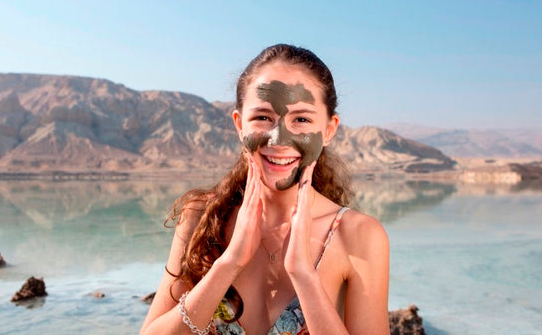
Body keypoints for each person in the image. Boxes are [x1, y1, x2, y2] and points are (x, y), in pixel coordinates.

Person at [140, 44, 390, 335]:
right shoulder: (200, 218)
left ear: (329, 129)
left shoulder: (359, 236)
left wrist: (304, 275)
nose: (278, 138)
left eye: (301, 119)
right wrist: (229, 263)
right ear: (239, 124)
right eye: (263, 117)